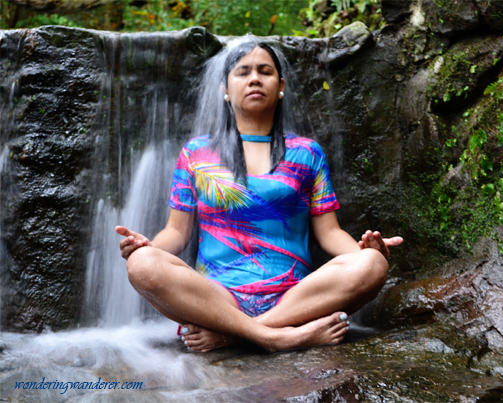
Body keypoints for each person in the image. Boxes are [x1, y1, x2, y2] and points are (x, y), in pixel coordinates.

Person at [116, 40, 403, 353]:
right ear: (226, 89)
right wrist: (146, 248)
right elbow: (176, 232)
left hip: (294, 297)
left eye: (264, 72)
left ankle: (236, 335)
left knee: (373, 265)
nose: (254, 79)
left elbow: (329, 233)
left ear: (280, 87)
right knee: (141, 265)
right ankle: (278, 337)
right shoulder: (196, 153)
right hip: (217, 296)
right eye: (243, 73)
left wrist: (364, 253)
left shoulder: (307, 153)